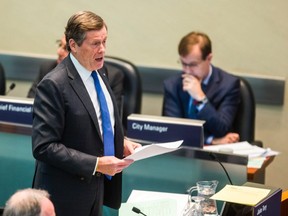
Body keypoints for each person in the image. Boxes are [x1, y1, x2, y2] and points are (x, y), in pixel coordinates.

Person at [32, 11, 141, 216]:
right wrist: (97, 164)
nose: (103, 50)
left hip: (95, 190)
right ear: (73, 45)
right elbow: (44, 147)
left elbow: (99, 122)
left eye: (105, 41)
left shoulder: (100, 72)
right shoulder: (54, 84)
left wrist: (120, 141)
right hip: (64, 195)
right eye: (95, 44)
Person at [163, 31, 240, 145]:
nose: (187, 71)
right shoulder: (172, 85)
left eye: (193, 65)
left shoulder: (228, 85)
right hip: (181, 153)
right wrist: (212, 140)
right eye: (184, 64)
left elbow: (222, 128)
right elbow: (173, 131)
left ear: (209, 58)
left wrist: (200, 99)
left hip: (216, 158)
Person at [27, 36, 124, 114]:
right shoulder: (48, 68)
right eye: (60, 45)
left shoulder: (111, 76)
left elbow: (112, 119)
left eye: (65, 48)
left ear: (77, 50)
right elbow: (30, 104)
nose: (59, 52)